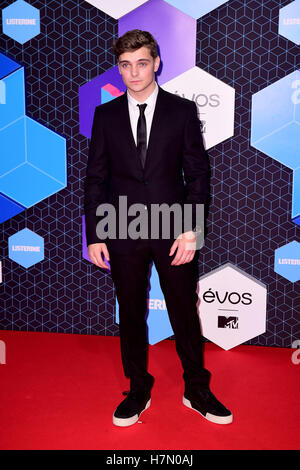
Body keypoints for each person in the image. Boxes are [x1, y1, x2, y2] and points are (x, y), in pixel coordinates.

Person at [84, 29, 233, 426]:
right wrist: (96, 232)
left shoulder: (181, 111)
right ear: (119, 67)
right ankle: (137, 388)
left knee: (184, 311)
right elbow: (95, 177)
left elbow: (198, 174)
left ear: (157, 63)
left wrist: (190, 230)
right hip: (122, 227)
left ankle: (196, 388)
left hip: (173, 228)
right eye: (125, 65)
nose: (133, 73)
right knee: (131, 311)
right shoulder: (106, 114)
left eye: (142, 63)